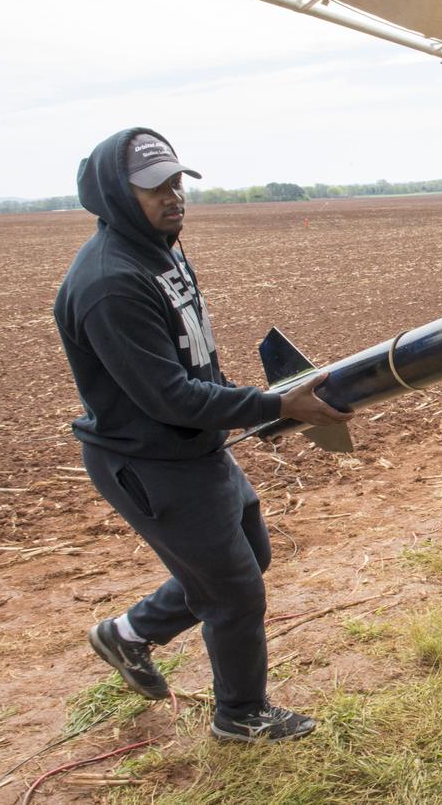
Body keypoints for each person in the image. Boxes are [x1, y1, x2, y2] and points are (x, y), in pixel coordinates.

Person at [54, 128, 354, 742]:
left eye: (175, 182)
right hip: (151, 464)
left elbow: (196, 367)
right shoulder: (111, 283)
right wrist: (269, 403)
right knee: (233, 594)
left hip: (193, 447)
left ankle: (128, 634)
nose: (173, 197)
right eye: (154, 188)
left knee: (250, 555)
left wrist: (254, 409)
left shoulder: (161, 248)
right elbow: (168, 395)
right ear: (116, 194)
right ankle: (241, 715)